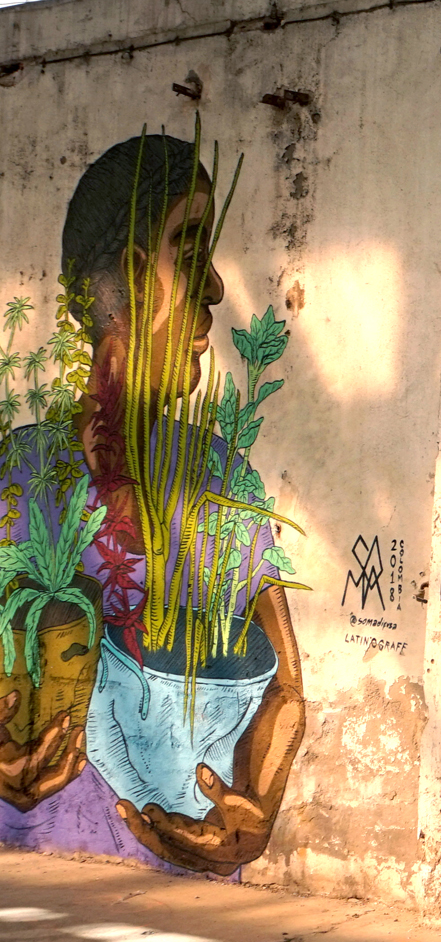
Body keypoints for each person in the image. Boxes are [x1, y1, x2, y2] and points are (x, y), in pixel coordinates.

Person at [0, 133, 305, 877]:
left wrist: (255, 808)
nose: (215, 289)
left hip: (190, 859)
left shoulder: (223, 476)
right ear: (134, 278)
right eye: (190, 252)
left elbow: (286, 684)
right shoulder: (17, 472)